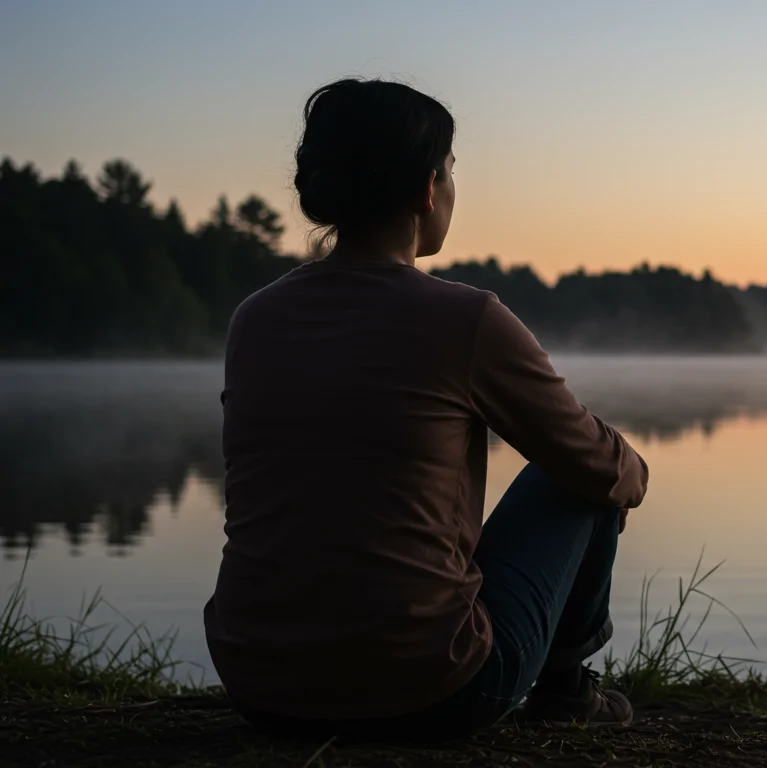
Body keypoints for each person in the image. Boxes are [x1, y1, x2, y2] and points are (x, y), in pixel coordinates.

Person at [203, 78, 648, 740]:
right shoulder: (465, 321)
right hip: (433, 694)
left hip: (260, 689)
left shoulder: (255, 319)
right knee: (585, 474)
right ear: (427, 189)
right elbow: (600, 470)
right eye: (451, 170)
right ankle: (565, 692)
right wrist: (629, 467)